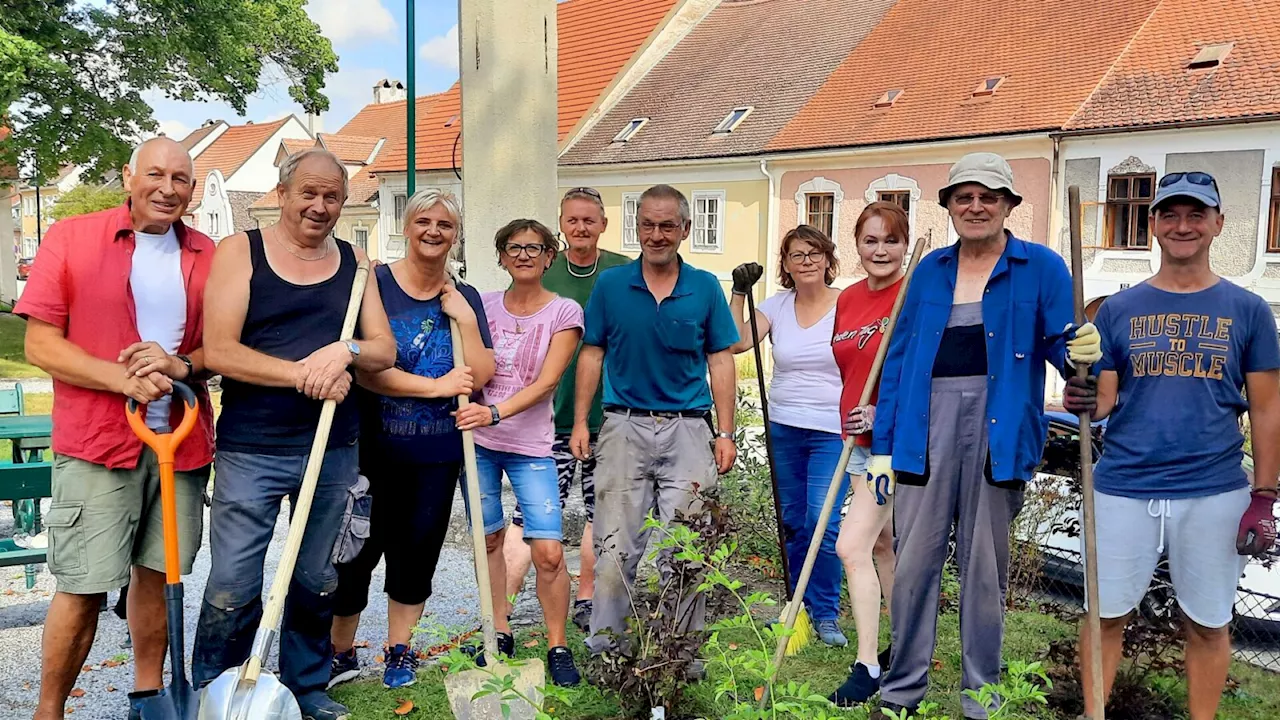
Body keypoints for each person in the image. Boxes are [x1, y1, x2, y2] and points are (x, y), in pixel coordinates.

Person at [868, 153, 1100, 720]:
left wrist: (1080, 355)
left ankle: (981, 700)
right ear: (948, 205)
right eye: (963, 196)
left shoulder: (1041, 267)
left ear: (1009, 206)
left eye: (988, 196)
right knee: (914, 568)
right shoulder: (928, 270)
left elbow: (1063, 350)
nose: (976, 206)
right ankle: (901, 693)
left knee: (983, 573)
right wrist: (883, 445)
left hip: (999, 430)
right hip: (925, 430)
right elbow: (897, 360)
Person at [192, 148, 397, 720]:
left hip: (332, 448)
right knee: (234, 579)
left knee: (315, 576)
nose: (320, 205)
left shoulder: (356, 263)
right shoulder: (241, 252)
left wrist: (345, 349)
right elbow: (221, 352)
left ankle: (305, 685)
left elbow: (383, 350)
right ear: (281, 193)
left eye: (332, 195)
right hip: (251, 448)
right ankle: (220, 689)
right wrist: (305, 374)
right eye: (308, 192)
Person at [18, 137, 216, 720]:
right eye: (155, 174)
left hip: (179, 445)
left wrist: (183, 365)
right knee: (83, 584)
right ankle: (49, 710)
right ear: (129, 176)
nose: (167, 188)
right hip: (98, 444)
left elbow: (222, 345)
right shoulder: (73, 238)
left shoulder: (207, 253)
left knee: (158, 577)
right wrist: (120, 379)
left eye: (181, 178)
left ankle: (147, 697)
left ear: (193, 188)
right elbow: (39, 343)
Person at [1077, 172, 1279, 720]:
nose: (1182, 226)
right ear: (1152, 225)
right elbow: (1104, 405)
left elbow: (1266, 407)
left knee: (1209, 623)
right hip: (1124, 484)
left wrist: (1264, 496)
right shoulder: (1119, 310)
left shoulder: (1249, 310)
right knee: (1105, 617)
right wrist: (1082, 389)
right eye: (1170, 215)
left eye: (1196, 215)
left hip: (1213, 490)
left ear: (1218, 224)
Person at [328, 190, 495, 690]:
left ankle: (400, 649)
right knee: (354, 555)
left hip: (437, 454)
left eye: (445, 224)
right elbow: (365, 371)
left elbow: (482, 373)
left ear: (456, 234)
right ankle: (340, 652)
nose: (434, 231)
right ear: (406, 226)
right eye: (423, 220)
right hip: (370, 451)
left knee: (416, 555)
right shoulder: (373, 285)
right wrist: (438, 386)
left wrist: (464, 318)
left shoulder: (464, 296)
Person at [574, 184, 739, 666]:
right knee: (614, 545)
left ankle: (681, 655)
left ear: (685, 230)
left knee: (688, 547)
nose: (657, 234)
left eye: (668, 225)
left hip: (689, 429)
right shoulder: (610, 285)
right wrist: (582, 421)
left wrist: (724, 433)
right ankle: (609, 651)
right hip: (623, 426)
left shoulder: (705, 287)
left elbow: (721, 360)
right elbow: (592, 353)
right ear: (637, 227)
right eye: (648, 224)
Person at [457, 219, 585, 686]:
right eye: (515, 247)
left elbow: (547, 382)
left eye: (536, 248)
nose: (525, 255)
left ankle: (557, 644)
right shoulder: (482, 306)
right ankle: (499, 632)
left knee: (548, 551)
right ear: (502, 256)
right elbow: (468, 362)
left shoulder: (564, 312)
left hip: (530, 447)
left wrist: (493, 413)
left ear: (550, 256)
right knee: (488, 541)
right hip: (480, 446)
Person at [502, 187, 629, 632]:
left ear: (603, 224)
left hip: (610, 418)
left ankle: (587, 599)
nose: (581, 228)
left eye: (589, 220)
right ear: (562, 225)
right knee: (530, 514)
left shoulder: (621, 272)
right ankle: (503, 607)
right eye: (572, 220)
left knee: (601, 512)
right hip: (545, 419)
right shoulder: (541, 270)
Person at [728, 225, 848, 647]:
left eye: (815, 253)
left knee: (823, 522)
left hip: (833, 430)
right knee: (794, 522)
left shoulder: (847, 304)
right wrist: (739, 290)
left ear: (829, 259)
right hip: (784, 428)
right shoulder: (776, 306)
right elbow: (738, 342)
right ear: (786, 265)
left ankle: (826, 612)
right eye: (797, 255)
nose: (807, 262)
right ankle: (796, 608)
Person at [828, 203, 910, 705]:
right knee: (882, 547)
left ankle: (868, 664)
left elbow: (924, 374)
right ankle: (906, 644)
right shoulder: (851, 298)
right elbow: (849, 368)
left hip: (889, 448)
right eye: (870, 240)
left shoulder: (914, 296)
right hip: (854, 443)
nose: (880, 250)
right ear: (857, 244)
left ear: (905, 246)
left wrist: (884, 414)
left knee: (850, 547)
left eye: (891, 241)